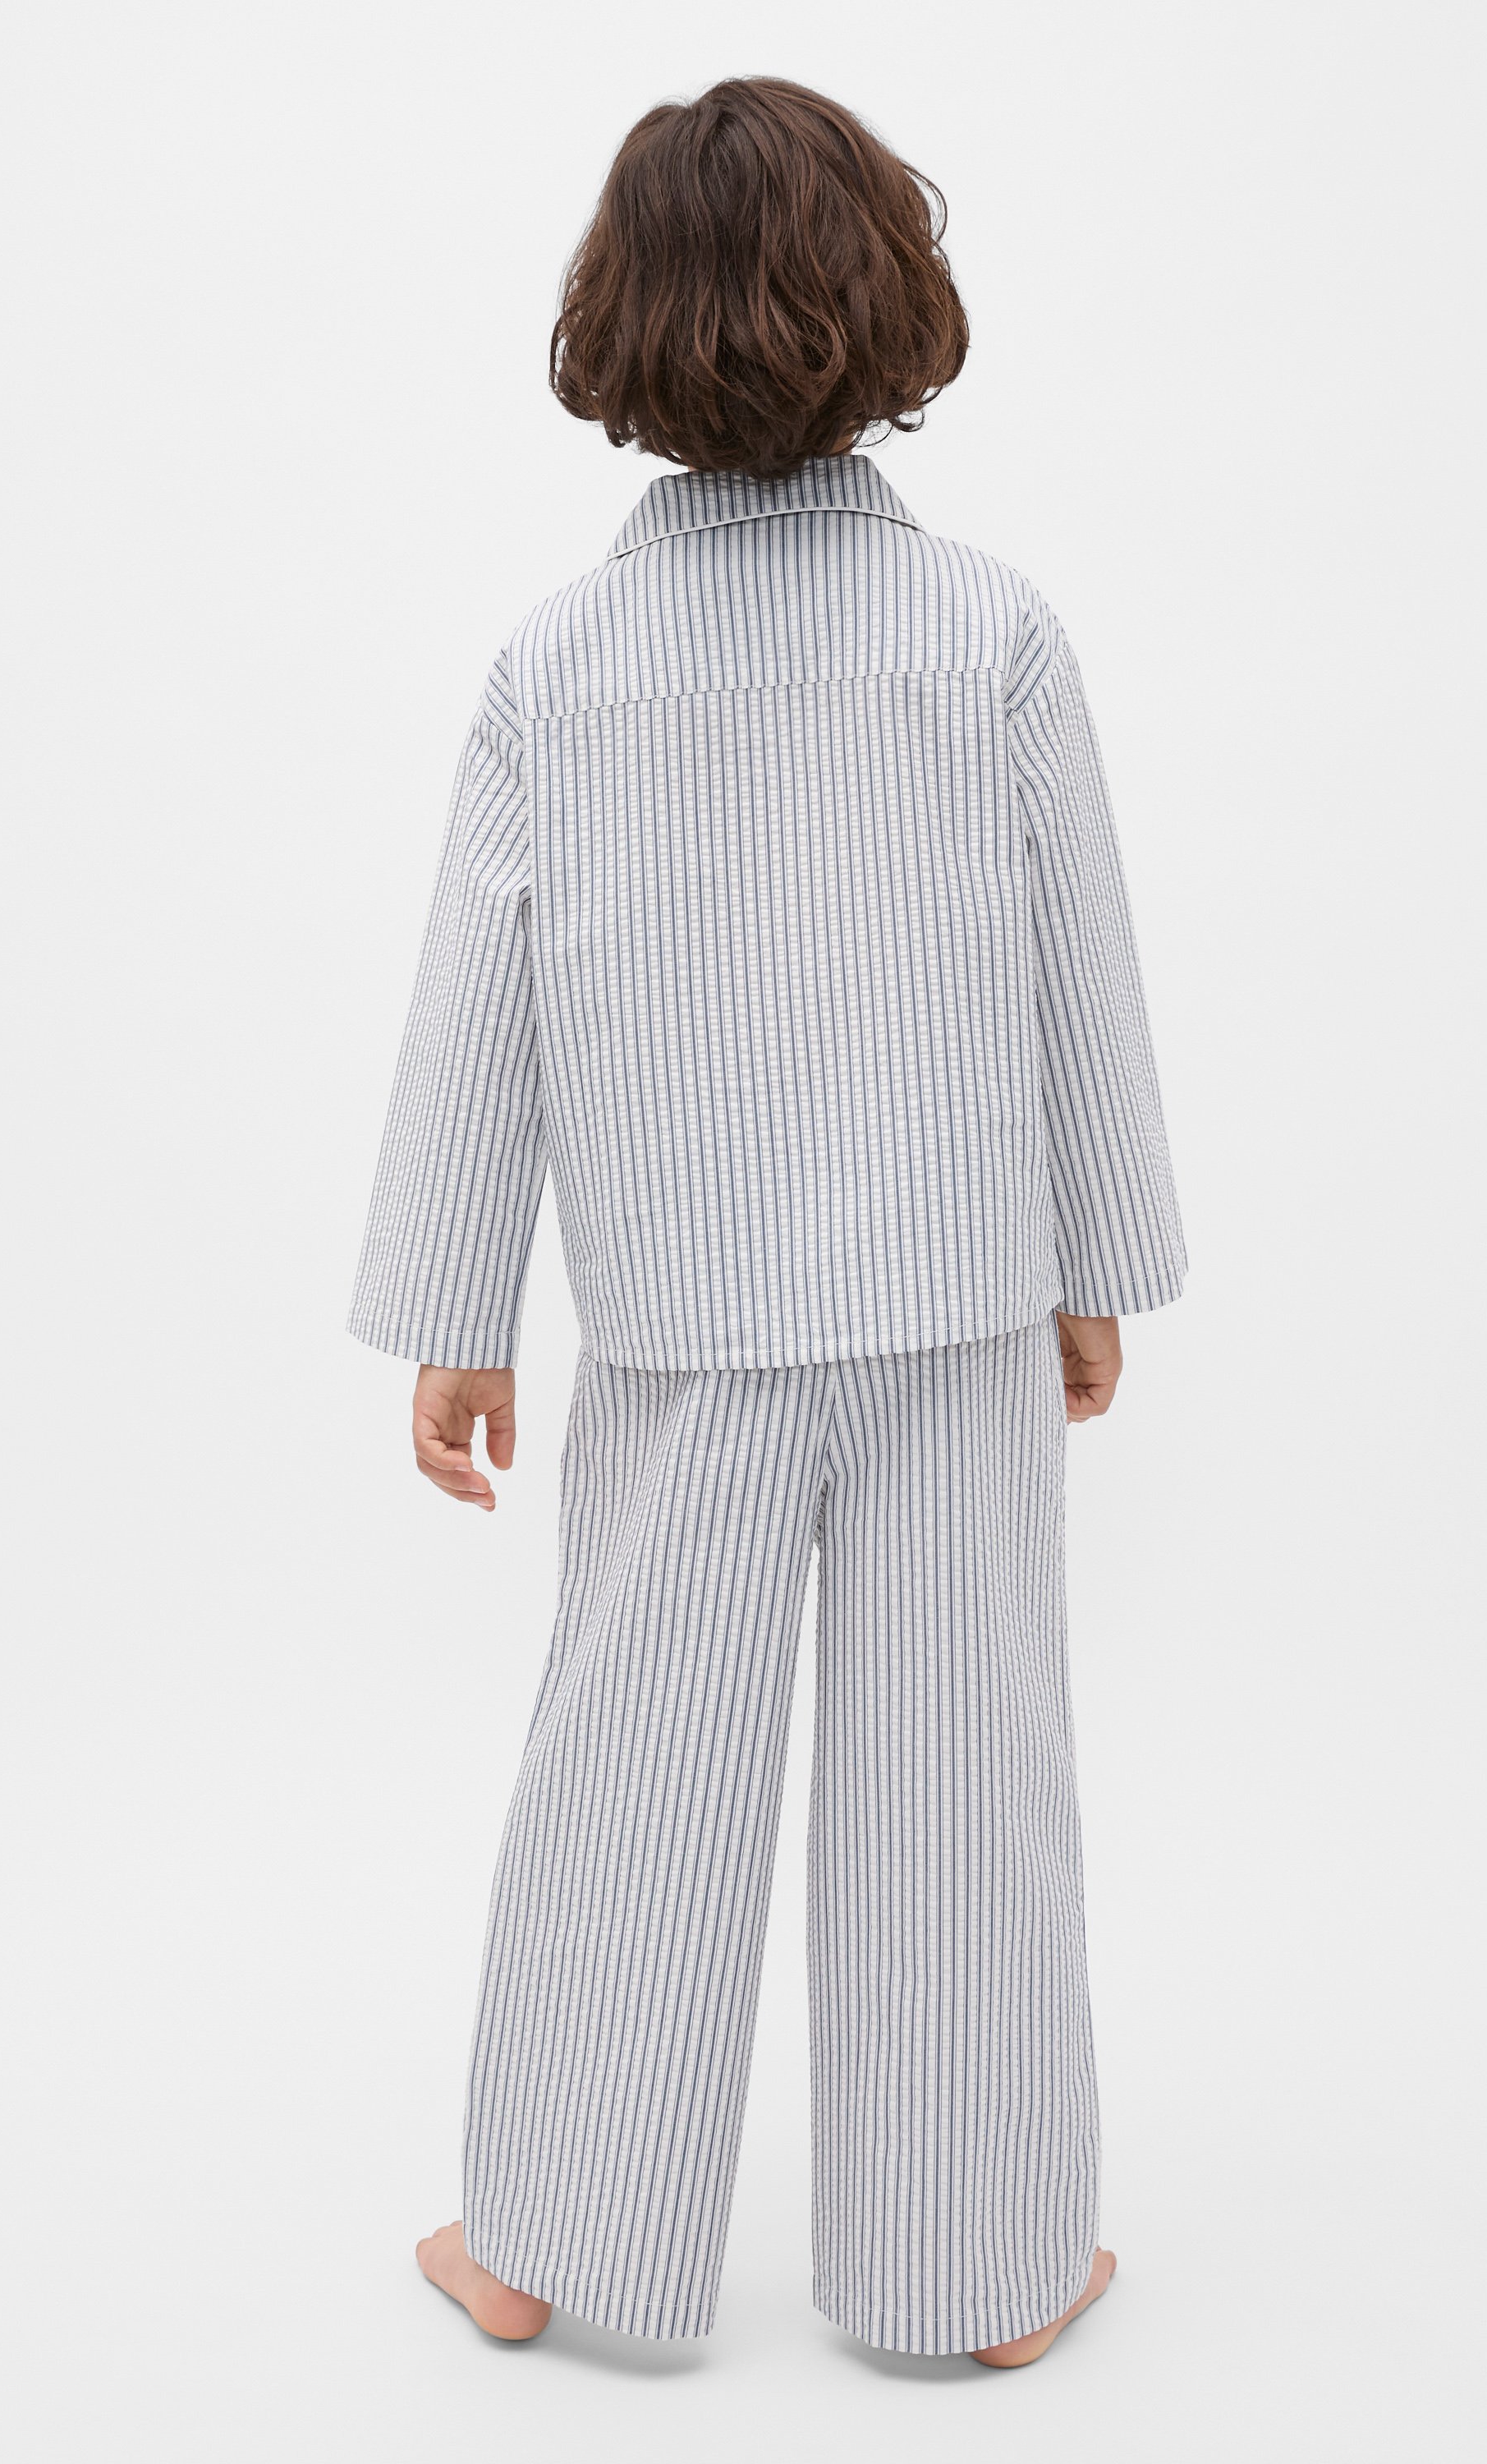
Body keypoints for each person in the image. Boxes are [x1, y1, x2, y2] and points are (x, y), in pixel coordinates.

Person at [348, 74, 1185, 2366]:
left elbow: (477, 999)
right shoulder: (990, 634)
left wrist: (459, 1314)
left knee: (628, 1768)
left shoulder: (560, 665)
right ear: (894, 302)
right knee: (968, 1778)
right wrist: (1096, 1264)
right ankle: (982, 2270)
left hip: (680, 1307)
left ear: (616, 325)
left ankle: (547, 2239)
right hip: (951, 1292)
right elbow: (1082, 964)